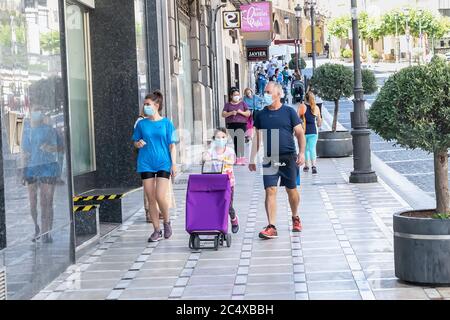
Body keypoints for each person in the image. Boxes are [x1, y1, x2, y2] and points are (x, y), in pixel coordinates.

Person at [249, 82, 306, 239]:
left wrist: (301, 153)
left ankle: (295, 217)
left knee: (291, 190)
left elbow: (300, 133)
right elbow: (257, 137)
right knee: (270, 190)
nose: (265, 94)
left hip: (289, 157)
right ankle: (271, 226)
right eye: (265, 91)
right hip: (270, 157)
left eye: (268, 91)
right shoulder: (260, 114)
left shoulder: (289, 112)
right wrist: (252, 158)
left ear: (278, 94)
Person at [132, 90, 177, 242]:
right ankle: (156, 230)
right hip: (145, 163)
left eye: (148, 104)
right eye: (144, 105)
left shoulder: (167, 123)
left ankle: (167, 221)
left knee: (159, 195)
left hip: (163, 162)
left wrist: (174, 165)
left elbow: (172, 146)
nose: (145, 107)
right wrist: (138, 144)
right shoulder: (141, 124)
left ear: (157, 105)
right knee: (151, 198)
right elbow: (135, 142)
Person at [22, 105, 63, 243]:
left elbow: (60, 148)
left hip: (48, 168)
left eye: (39, 110)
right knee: (33, 203)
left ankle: (47, 232)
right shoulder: (27, 131)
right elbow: (24, 152)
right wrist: (23, 171)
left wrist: (49, 148)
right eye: (35, 110)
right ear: (30, 113)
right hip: (32, 168)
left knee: (46, 202)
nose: (37, 113)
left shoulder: (50, 130)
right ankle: (36, 228)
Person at [203, 128, 239, 233]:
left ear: (226, 138)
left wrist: (224, 159)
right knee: (216, 204)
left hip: (228, 182)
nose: (221, 139)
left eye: (223, 137)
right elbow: (206, 156)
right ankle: (219, 224)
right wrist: (206, 157)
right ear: (214, 139)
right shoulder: (212, 151)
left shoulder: (229, 151)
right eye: (218, 137)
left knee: (228, 205)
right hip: (216, 182)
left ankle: (233, 219)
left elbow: (232, 160)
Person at [222, 88, 251, 165]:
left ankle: (241, 159)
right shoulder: (227, 105)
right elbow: (223, 114)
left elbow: (248, 113)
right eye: (235, 95)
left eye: (238, 95)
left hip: (241, 124)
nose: (237, 96)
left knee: (240, 140)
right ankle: (238, 158)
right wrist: (231, 113)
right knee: (235, 141)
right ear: (231, 96)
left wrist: (241, 112)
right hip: (231, 125)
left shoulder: (242, 104)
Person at [301, 91, 322, 174]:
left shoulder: (302, 107)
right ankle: (314, 166)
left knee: (305, 149)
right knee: (312, 148)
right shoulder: (316, 108)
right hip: (313, 131)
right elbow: (319, 123)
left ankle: (306, 166)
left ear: (305, 99)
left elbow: (297, 118)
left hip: (304, 131)